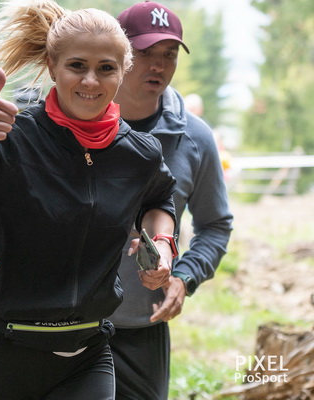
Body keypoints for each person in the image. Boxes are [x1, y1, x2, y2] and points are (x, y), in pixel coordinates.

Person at [0, 1, 178, 398]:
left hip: (87, 355)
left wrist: (163, 245)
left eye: (106, 68)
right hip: (0, 352)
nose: (90, 81)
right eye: (77, 65)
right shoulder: (7, 138)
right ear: (52, 66)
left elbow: (159, 199)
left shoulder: (139, 154)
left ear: (123, 70)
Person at [106, 2, 234, 399]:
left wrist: (185, 276)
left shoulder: (196, 138)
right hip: (64, 323)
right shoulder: (76, 122)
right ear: (119, 53)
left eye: (170, 54)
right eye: (145, 52)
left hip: (143, 328)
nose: (158, 65)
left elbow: (215, 225)